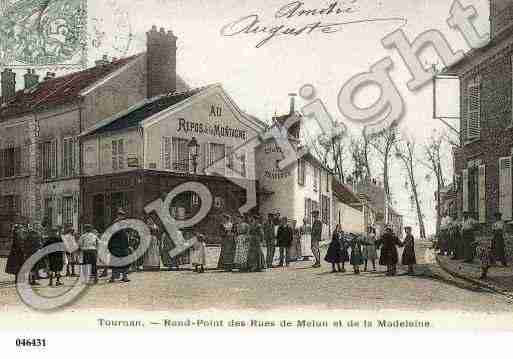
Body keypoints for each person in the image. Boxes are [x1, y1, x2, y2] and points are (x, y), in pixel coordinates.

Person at [108, 208, 131, 283]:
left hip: (122, 246)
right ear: (118, 215)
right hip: (117, 245)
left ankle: (124, 276)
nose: (122, 217)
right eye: (121, 215)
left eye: (123, 215)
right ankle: (113, 277)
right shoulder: (116, 224)